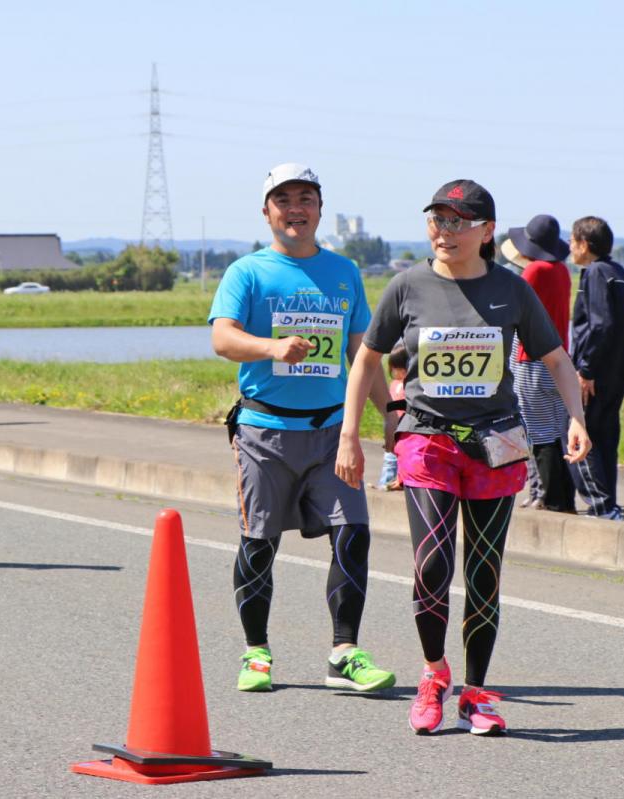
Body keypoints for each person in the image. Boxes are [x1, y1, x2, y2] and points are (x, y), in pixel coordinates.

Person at [336, 179, 591, 736]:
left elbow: (555, 359)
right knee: (432, 564)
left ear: (486, 231)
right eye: (437, 219)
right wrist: (350, 433)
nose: (444, 231)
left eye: (458, 221)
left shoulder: (513, 290)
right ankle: (433, 673)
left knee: (483, 575)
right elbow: (366, 361)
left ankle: (475, 692)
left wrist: (576, 416)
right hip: (426, 438)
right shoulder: (406, 287)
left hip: (495, 445)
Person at [209, 163, 396, 695]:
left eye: (306, 198)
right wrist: (271, 348)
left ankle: (345, 652)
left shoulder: (344, 272)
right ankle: (257, 653)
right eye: (284, 199)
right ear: (266, 211)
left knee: (352, 535)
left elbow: (362, 352)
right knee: (260, 543)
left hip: (333, 432)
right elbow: (223, 339)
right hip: (263, 432)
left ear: (320, 207)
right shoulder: (247, 272)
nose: (296, 208)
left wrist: (391, 411)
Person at [567, 216, 624, 521]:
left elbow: (600, 325)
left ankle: (601, 507)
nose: (570, 247)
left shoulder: (596, 272)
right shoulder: (618, 271)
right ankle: (609, 506)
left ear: (584, 244)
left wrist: (586, 369)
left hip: (595, 374)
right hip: (617, 373)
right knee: (606, 439)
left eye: (573, 241)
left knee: (579, 434)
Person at [503, 216, 577, 513]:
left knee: (538, 432)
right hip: (558, 359)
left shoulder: (533, 271)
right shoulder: (561, 270)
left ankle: (548, 497)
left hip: (530, 360)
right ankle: (563, 497)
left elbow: (513, 310)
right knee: (558, 431)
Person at [376, 346, 408, 491]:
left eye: (402, 368)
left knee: (404, 459)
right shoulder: (393, 384)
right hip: (392, 428)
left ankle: (401, 483)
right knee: (389, 459)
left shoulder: (410, 386)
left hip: (405, 430)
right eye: (394, 368)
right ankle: (385, 483)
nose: (397, 372)